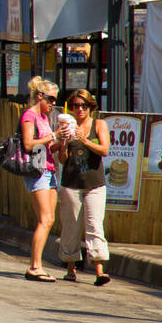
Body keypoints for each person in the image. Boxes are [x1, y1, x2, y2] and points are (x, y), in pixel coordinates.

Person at [55, 89, 112, 286]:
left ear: (90, 107)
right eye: (75, 106)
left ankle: (99, 271)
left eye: (83, 106)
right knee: (71, 225)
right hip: (71, 183)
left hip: (94, 183)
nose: (79, 109)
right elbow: (63, 159)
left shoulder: (99, 124)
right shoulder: (67, 126)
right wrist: (63, 143)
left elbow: (104, 149)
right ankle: (70, 268)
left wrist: (85, 140)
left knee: (94, 225)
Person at [21, 76, 64, 282]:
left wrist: (62, 139)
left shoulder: (45, 118)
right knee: (44, 219)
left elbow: (48, 146)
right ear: (39, 96)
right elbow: (29, 144)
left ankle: (37, 264)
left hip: (48, 168)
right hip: (36, 170)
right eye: (51, 99)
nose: (53, 104)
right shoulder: (30, 116)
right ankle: (34, 266)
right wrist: (54, 136)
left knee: (49, 220)